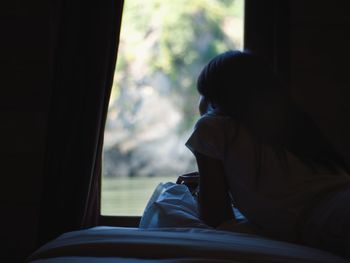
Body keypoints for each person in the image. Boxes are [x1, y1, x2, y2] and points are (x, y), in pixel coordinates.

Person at [185, 50, 350, 259]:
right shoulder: (290, 122)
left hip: (327, 219)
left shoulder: (212, 126)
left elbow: (216, 217)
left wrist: (205, 186)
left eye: (203, 94)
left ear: (213, 98)